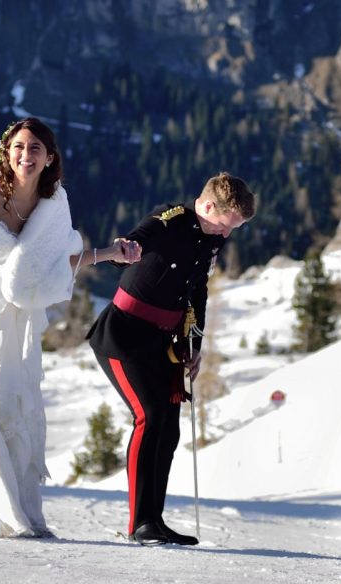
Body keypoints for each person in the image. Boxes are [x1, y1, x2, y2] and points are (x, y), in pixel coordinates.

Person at [0, 118, 139, 538]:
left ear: (50, 158)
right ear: (7, 151)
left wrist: (110, 253)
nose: (26, 156)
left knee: (11, 399)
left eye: (35, 149)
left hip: (12, 313)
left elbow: (46, 267)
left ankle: (14, 508)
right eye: (19, 147)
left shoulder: (53, 204)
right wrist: (7, 286)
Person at [88, 172, 255, 546]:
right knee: (149, 415)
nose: (227, 235)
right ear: (208, 206)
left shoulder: (210, 237)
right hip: (124, 336)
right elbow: (133, 244)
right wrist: (122, 250)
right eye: (227, 226)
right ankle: (139, 523)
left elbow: (197, 290)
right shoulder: (170, 220)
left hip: (164, 342)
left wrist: (193, 345)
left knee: (168, 427)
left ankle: (154, 520)